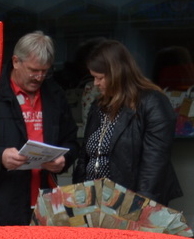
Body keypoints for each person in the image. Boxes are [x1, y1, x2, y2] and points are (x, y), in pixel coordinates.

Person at [0, 32, 79, 226]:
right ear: (15, 62)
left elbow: (70, 140)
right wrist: (0, 157)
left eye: (45, 71)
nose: (39, 77)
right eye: (33, 70)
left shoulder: (54, 94)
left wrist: (64, 160)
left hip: (45, 203)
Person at [75, 40, 182, 205]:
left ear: (116, 74)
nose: (95, 83)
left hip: (129, 202)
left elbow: (154, 163)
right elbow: (85, 155)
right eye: (94, 77)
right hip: (94, 200)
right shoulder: (99, 105)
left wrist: (140, 206)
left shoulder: (152, 102)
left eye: (100, 78)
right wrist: (78, 194)